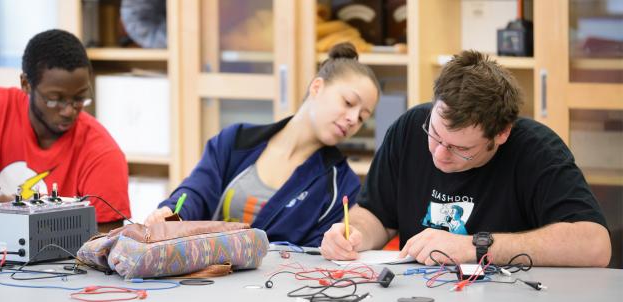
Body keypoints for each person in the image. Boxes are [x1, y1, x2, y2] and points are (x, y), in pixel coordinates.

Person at [320, 50, 611, 267]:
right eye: (434, 134)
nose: (439, 154)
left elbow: (595, 245)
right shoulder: (409, 128)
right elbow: (378, 216)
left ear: (501, 134)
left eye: (461, 148)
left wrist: (477, 246)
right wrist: (353, 232)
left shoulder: (538, 151)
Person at [144, 43, 380, 247]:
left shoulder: (343, 185)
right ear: (317, 87)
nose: (352, 119)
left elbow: (316, 256)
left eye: (362, 117)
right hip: (203, 277)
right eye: (348, 102)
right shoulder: (235, 141)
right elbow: (196, 192)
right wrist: (172, 213)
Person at [0, 29, 131, 232]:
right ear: (26, 84)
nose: (68, 111)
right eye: (54, 100)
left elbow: (105, 247)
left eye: (78, 98)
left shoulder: (102, 154)